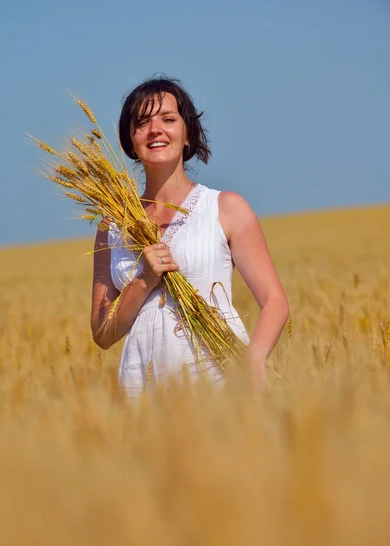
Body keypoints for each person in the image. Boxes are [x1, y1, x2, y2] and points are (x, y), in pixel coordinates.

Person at [91, 76, 289, 398]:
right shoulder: (113, 225)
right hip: (141, 390)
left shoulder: (225, 208)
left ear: (186, 135)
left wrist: (254, 359)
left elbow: (275, 301)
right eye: (142, 123)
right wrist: (145, 280)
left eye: (168, 119)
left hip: (217, 384)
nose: (156, 130)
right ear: (131, 139)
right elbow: (102, 333)